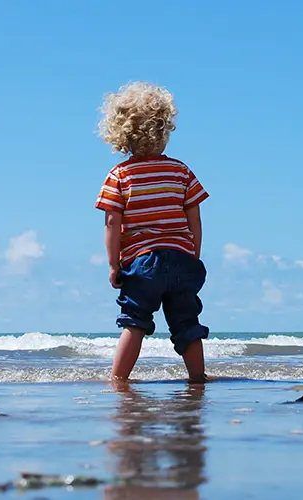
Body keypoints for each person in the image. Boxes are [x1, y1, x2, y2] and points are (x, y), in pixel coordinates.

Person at [94, 81, 210, 384]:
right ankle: (198, 377)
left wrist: (113, 264)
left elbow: (112, 223)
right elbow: (194, 216)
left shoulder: (120, 175)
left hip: (143, 263)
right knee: (187, 322)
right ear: (164, 130)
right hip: (182, 259)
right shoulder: (181, 171)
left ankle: (119, 379)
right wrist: (193, 251)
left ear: (122, 135)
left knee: (134, 322)